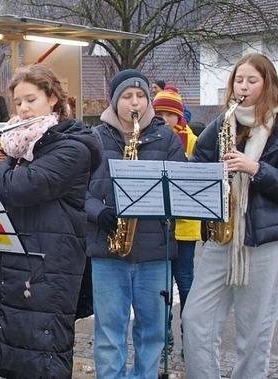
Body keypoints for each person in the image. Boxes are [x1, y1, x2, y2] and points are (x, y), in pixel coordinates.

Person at [0, 64, 102, 378]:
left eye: (31, 100)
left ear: (53, 99)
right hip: (14, 262)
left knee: (41, 360)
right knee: (10, 358)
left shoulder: (72, 148)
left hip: (48, 269)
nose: (23, 109)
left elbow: (19, 187)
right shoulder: (22, 143)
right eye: (18, 103)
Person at [85, 69, 186, 378]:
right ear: (114, 102)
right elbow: (78, 191)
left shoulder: (165, 137)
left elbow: (181, 187)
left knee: (152, 332)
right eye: (127, 96)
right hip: (107, 249)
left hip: (154, 251)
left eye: (140, 95)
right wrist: (98, 213)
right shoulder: (95, 137)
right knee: (109, 333)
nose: (135, 102)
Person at [183, 53, 278, 378]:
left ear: (267, 85)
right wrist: (212, 173)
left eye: (252, 80)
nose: (244, 86)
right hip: (221, 239)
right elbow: (194, 171)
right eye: (239, 80)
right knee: (194, 318)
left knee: (254, 333)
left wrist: (256, 169)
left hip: (262, 244)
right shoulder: (222, 123)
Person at [152, 88, 201, 353]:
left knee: (185, 281)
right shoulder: (150, 139)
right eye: (159, 114)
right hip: (158, 227)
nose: (165, 119)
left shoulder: (192, 142)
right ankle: (164, 338)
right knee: (161, 285)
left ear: (179, 116)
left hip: (184, 227)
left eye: (170, 114)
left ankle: (190, 338)